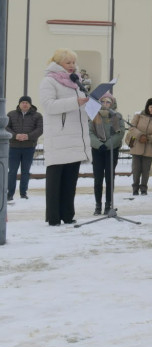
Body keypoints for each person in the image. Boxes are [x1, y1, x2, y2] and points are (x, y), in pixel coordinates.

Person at [38, 49, 91, 226]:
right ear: (58, 63)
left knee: (71, 179)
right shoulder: (49, 81)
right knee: (56, 180)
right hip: (59, 137)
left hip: (76, 136)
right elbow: (48, 105)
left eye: (73, 62)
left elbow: (81, 106)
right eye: (68, 63)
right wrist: (75, 102)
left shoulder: (76, 83)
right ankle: (53, 217)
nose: (72, 66)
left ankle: (68, 215)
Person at [89, 95, 124, 215]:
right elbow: (90, 133)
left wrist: (108, 145)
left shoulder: (117, 117)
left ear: (112, 104)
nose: (105, 104)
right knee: (98, 179)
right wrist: (99, 145)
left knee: (110, 178)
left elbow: (119, 134)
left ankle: (108, 204)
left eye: (108, 102)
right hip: (97, 150)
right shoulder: (93, 115)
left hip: (111, 150)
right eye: (102, 101)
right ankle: (98, 205)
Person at [7, 95, 43, 201]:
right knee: (12, 171)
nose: (24, 104)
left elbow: (40, 129)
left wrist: (28, 136)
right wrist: (15, 135)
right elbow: (6, 127)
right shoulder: (11, 114)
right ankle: (10, 194)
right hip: (14, 147)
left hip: (29, 147)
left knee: (25, 171)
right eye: (22, 102)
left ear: (30, 104)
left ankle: (23, 193)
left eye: (27, 102)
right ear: (19, 104)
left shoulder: (37, 115)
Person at [127, 98, 152, 196]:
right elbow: (132, 127)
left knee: (145, 170)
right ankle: (135, 188)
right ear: (147, 107)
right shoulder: (138, 116)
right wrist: (140, 135)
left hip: (149, 147)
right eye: (150, 106)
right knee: (136, 169)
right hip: (136, 145)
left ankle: (144, 188)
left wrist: (149, 138)